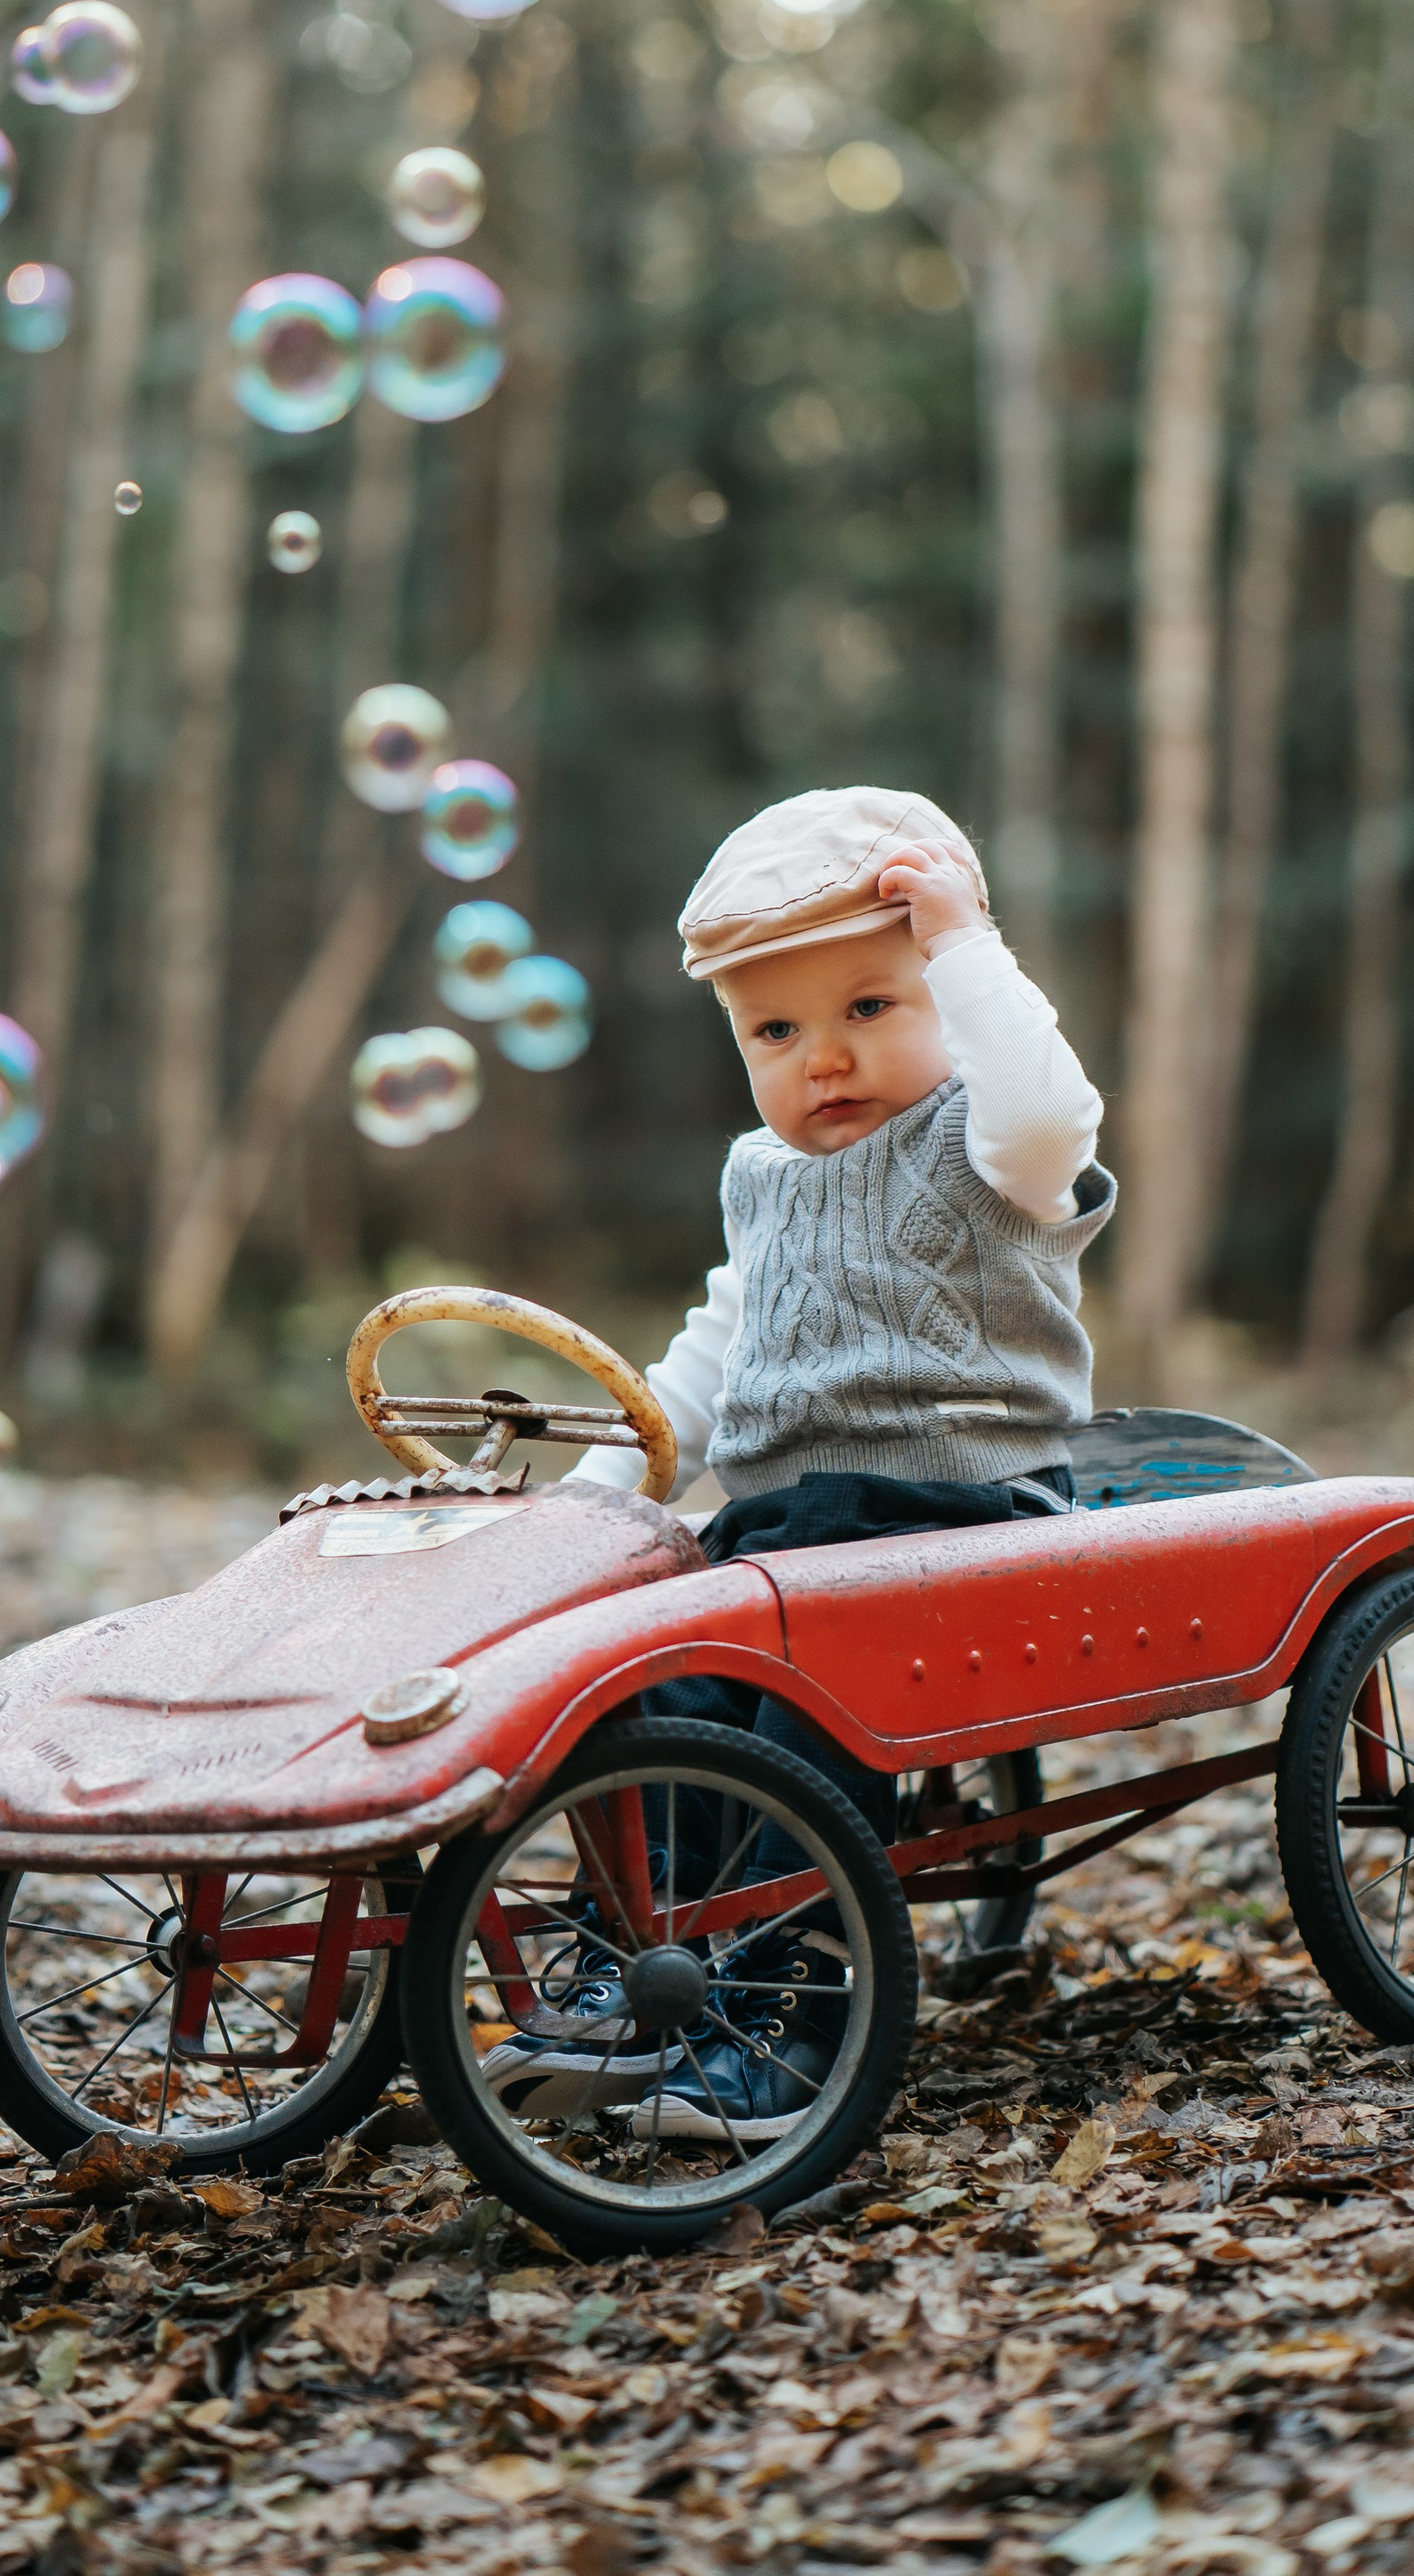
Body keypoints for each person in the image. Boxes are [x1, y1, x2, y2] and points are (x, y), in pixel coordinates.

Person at [489, 785, 1113, 2139]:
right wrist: (607, 1509)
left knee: (805, 1676)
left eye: (870, 1008)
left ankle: (793, 2005)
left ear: (949, 992)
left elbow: (1056, 1111)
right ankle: (636, 1970)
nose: (822, 1059)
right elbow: (719, 1352)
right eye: (777, 1030)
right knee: (657, 1670)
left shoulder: (990, 1145)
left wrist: (961, 941)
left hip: (966, 1506)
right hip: (796, 1539)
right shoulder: (765, 1176)